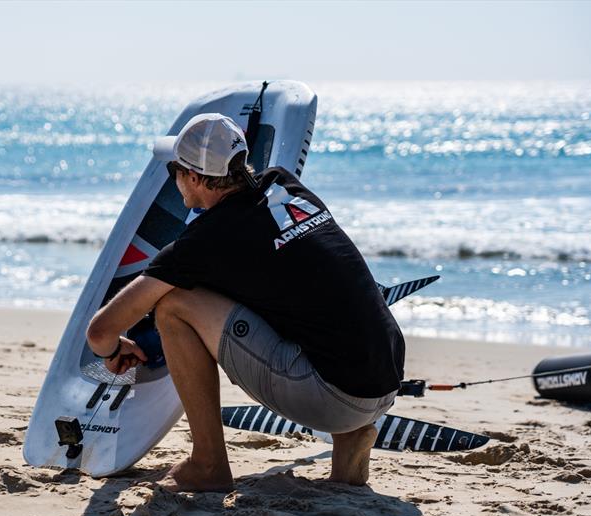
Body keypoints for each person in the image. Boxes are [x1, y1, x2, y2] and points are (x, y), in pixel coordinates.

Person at [86, 113, 404, 492]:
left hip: (334, 397)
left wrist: (113, 348)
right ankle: (350, 437)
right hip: (385, 376)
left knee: (173, 306)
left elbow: (100, 331)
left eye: (176, 170)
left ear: (194, 178)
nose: (174, 180)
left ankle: (208, 464)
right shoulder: (283, 184)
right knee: (300, 300)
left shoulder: (206, 240)